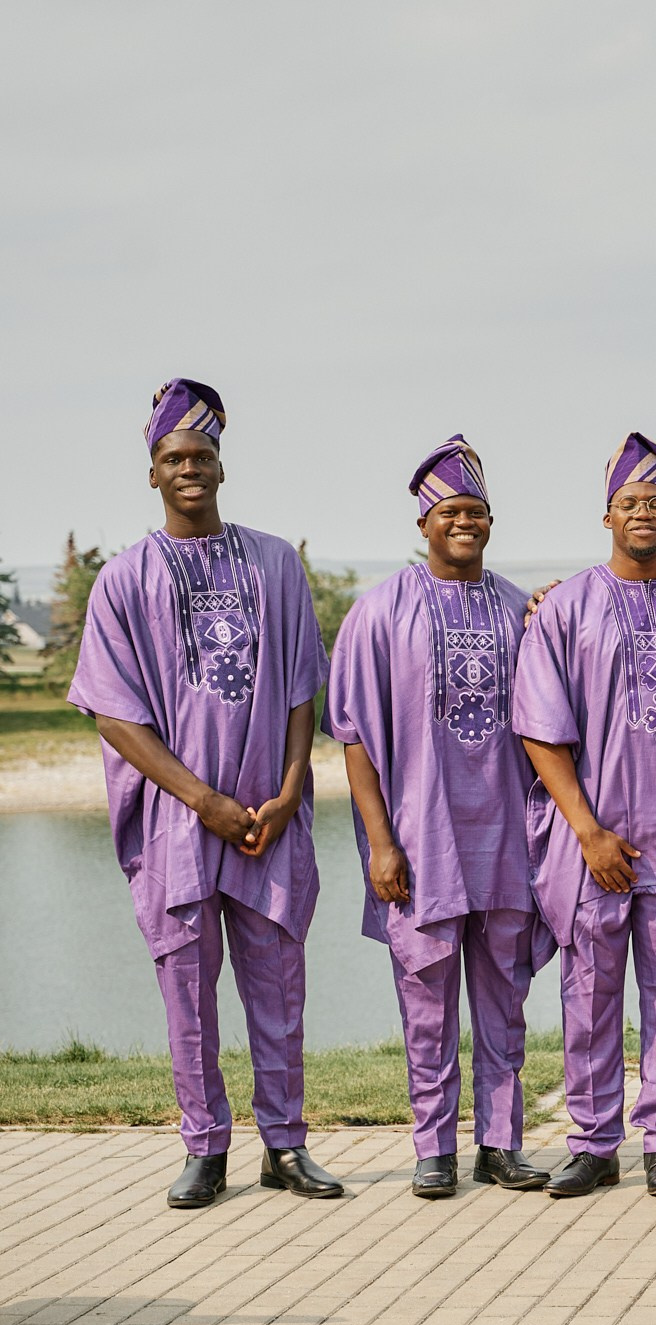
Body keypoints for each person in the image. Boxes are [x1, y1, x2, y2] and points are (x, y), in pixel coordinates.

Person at [69, 378, 340, 1208]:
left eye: (202, 455)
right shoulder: (123, 580)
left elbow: (302, 686)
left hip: (266, 817)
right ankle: (206, 1146)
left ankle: (285, 1145)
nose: (189, 468)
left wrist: (292, 788)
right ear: (152, 472)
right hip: (179, 825)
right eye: (173, 457)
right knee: (187, 990)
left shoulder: (272, 564)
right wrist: (203, 801)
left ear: (222, 465)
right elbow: (116, 717)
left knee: (278, 985)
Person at [325, 437, 552, 1199]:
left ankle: (501, 1141)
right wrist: (380, 842)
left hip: (506, 841)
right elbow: (353, 734)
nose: (464, 522)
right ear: (423, 522)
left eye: (476, 512)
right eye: (450, 511)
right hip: (421, 844)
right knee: (426, 1004)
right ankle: (434, 1147)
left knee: (503, 1003)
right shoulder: (379, 611)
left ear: (492, 522)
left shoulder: (520, 609)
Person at [512, 433, 656, 1200]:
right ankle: (594, 1141)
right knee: (590, 993)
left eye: (655, 501)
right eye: (630, 501)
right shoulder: (566, 607)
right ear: (608, 516)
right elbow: (539, 727)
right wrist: (588, 830)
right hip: (595, 838)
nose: (643, 512)